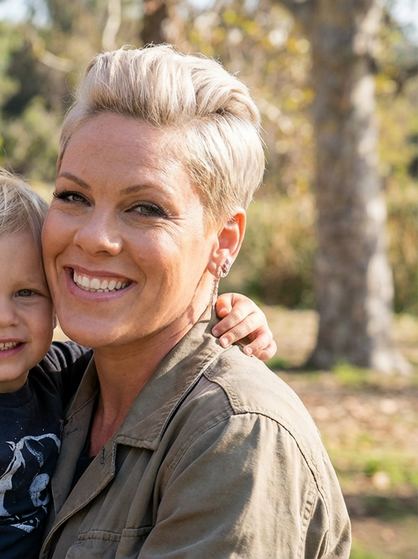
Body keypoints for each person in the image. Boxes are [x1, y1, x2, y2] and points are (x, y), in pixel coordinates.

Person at [0, 172, 278, 559]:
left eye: (26, 292)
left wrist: (227, 314)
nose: (3, 318)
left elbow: (150, 357)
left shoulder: (55, 372)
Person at [38, 45, 351, 557]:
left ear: (224, 242)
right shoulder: (52, 389)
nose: (94, 238)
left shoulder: (237, 435)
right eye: (73, 197)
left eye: (145, 208)